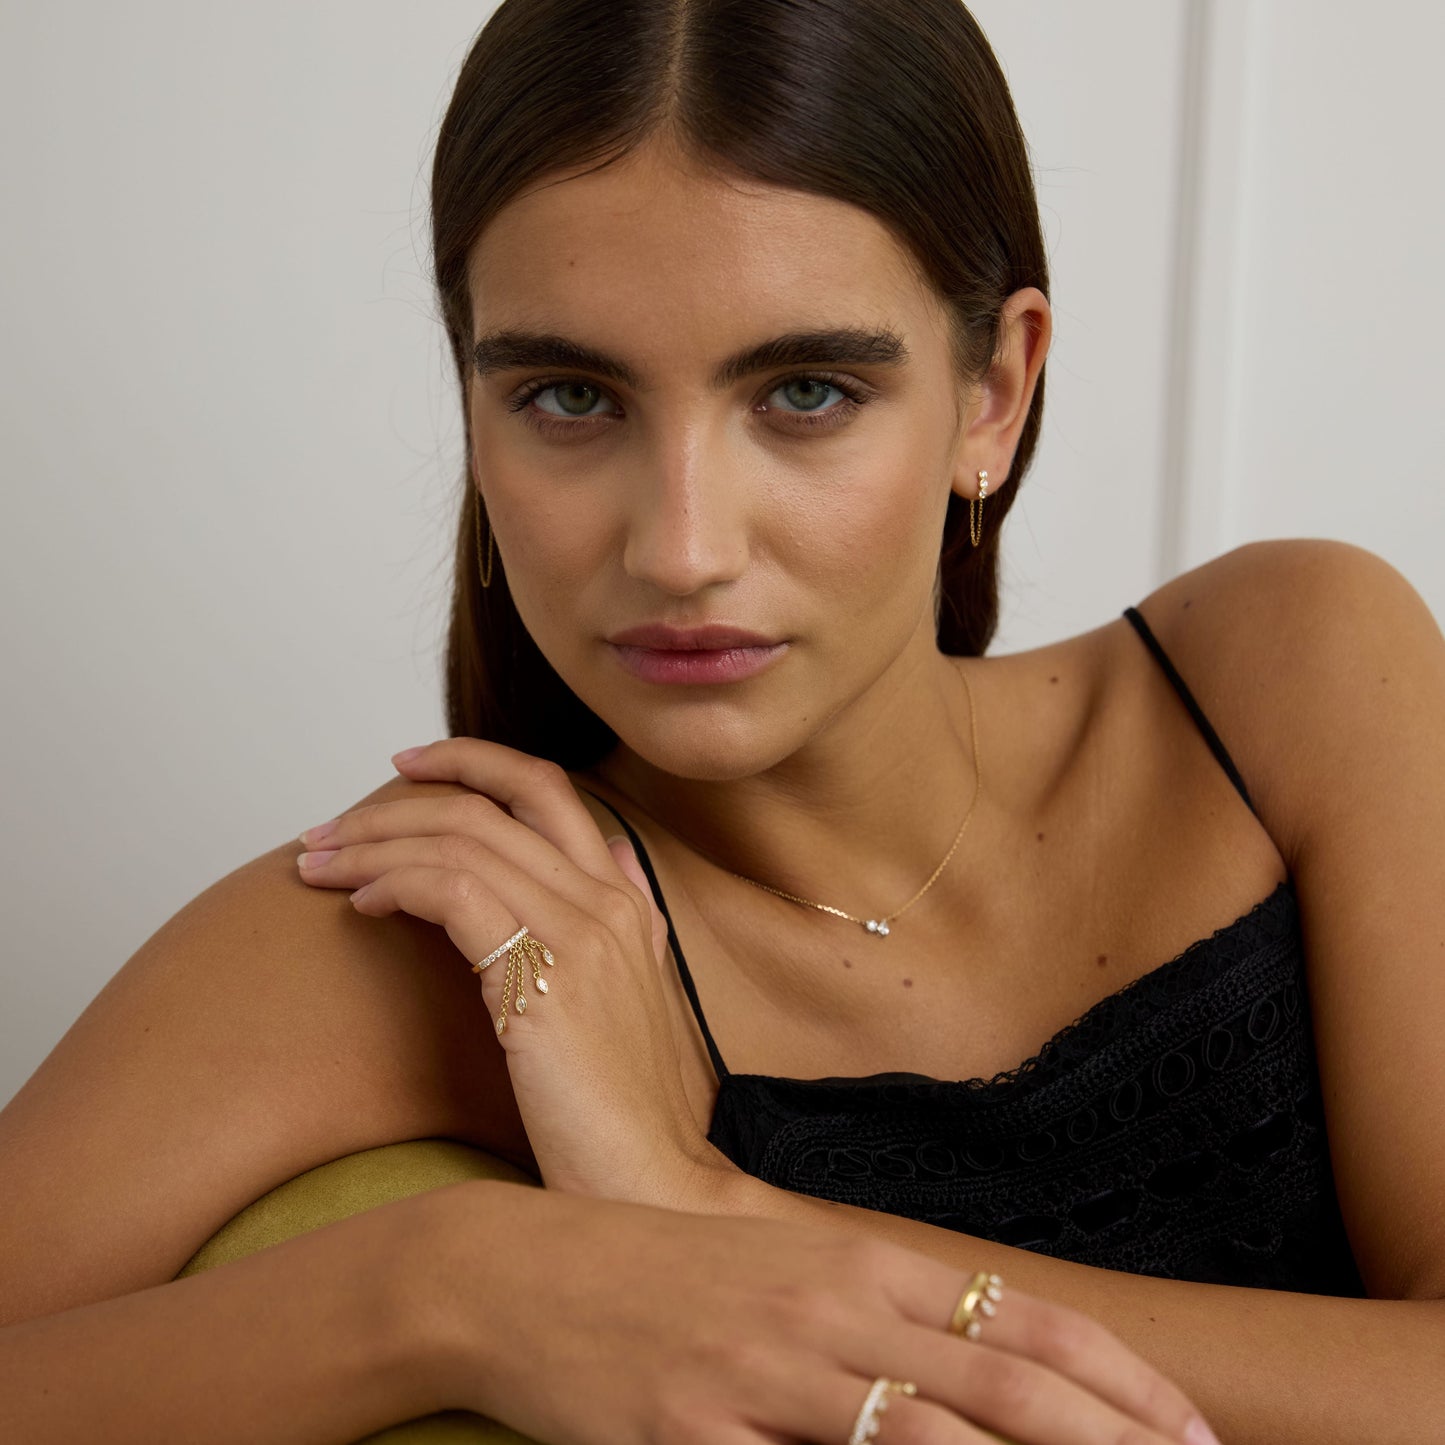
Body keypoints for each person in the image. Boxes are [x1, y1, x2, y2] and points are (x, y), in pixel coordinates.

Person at [3, 0, 1442, 1441]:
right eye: (570, 396)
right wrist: (437, 1287)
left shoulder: (1284, 683)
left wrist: (700, 1210)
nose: (680, 547)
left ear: (991, 395)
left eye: (804, 391)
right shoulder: (430, 939)